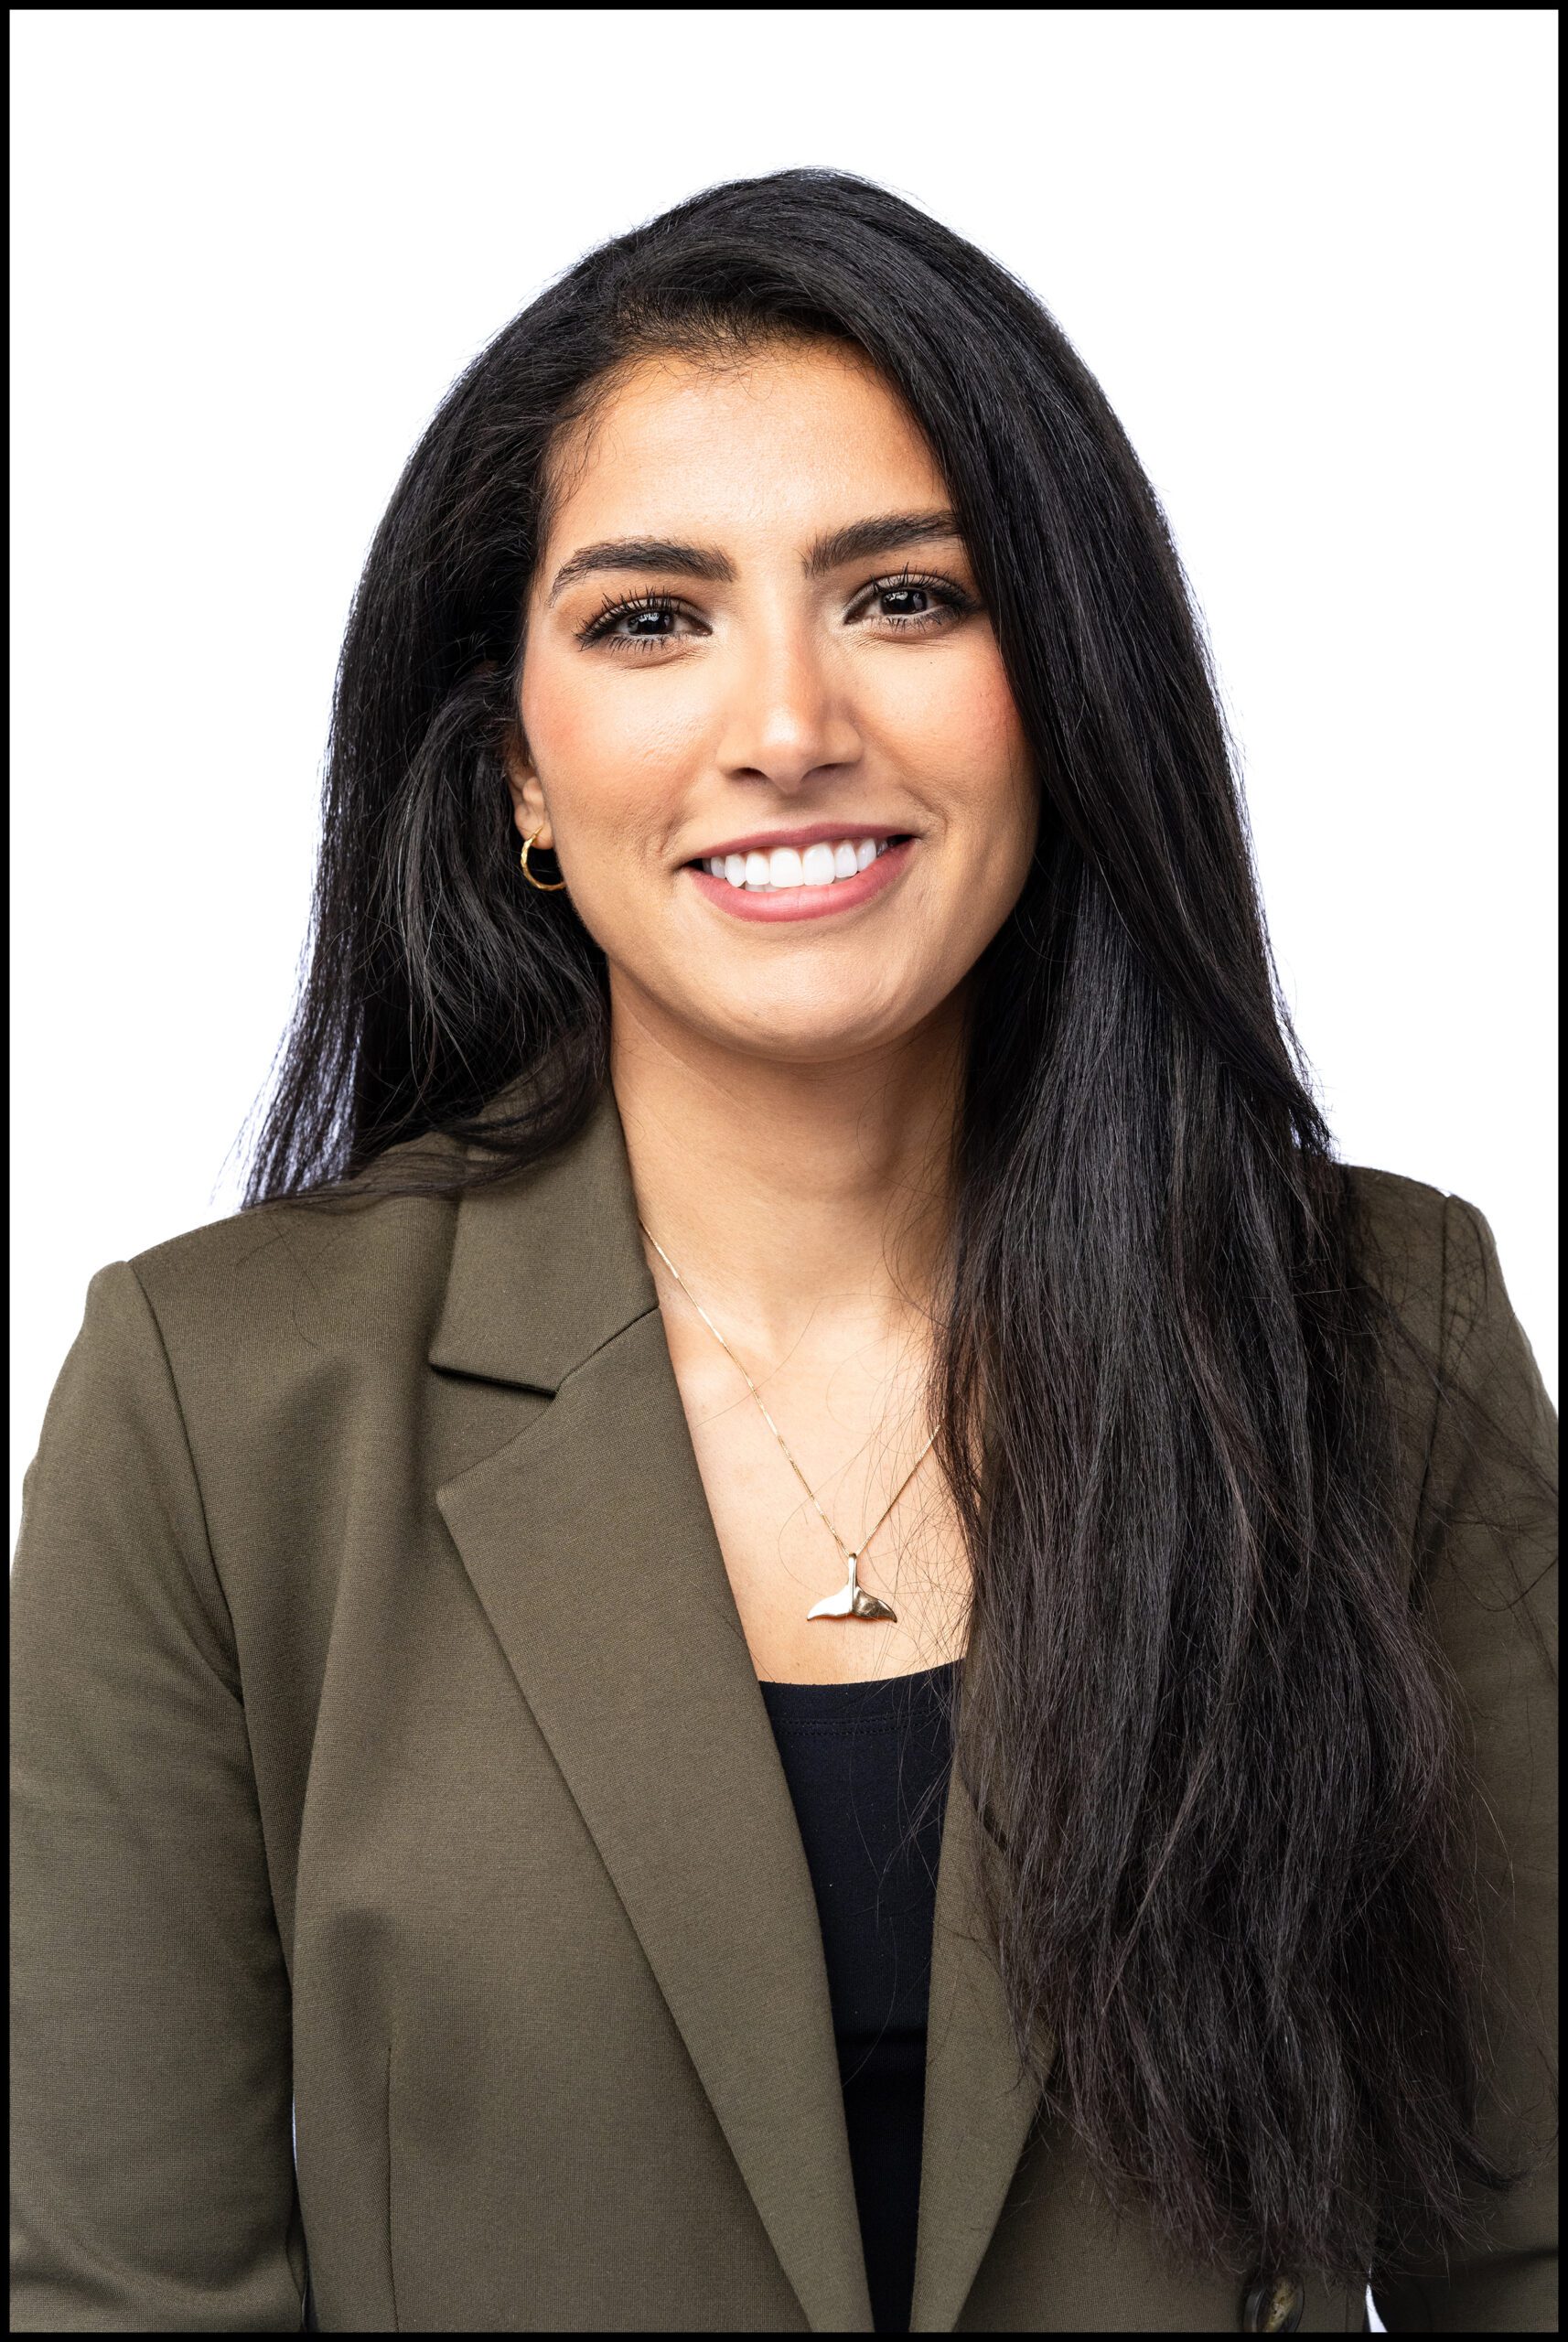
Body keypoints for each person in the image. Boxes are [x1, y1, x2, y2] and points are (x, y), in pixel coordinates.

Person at [10, 167, 1556, 2336]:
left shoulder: (1375, 1339)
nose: (788, 724)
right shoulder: (220, 1405)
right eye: (652, 620)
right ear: (517, 764)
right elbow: (120, 2298)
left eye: (903, 598)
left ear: (1060, 682)